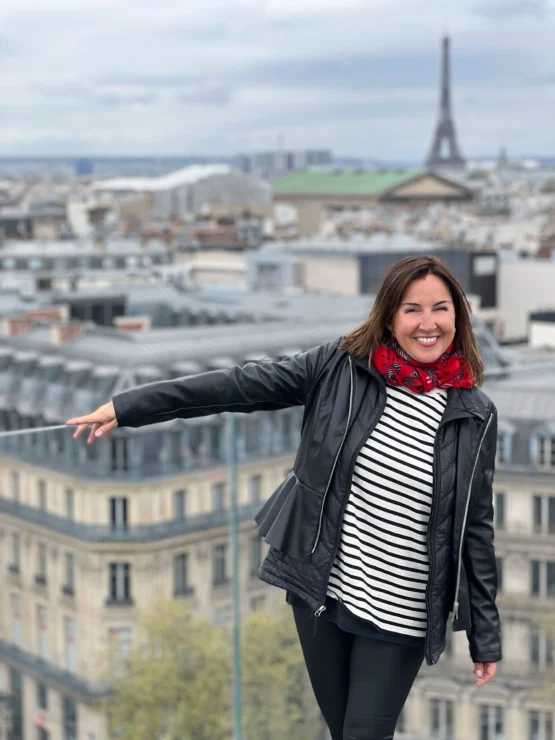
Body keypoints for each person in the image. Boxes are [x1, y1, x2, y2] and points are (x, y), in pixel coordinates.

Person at [66, 255, 502, 740]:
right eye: (411, 309)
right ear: (389, 315)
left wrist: (486, 634)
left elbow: (475, 527)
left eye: (440, 309)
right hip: (322, 592)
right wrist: (129, 408)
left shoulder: (475, 414)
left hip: (402, 611)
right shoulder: (339, 368)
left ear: (458, 318)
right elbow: (237, 386)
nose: (427, 323)